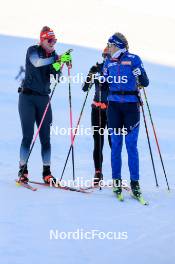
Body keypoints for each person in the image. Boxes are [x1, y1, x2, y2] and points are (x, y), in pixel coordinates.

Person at [18, 26, 72, 184]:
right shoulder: (33, 50)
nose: (53, 43)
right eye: (50, 40)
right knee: (27, 136)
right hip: (27, 98)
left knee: (45, 138)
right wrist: (57, 59)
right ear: (42, 40)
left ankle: (47, 172)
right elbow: (37, 63)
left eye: (54, 40)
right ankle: (23, 170)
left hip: (43, 99)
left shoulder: (54, 55)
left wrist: (62, 63)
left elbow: (55, 75)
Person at [103, 32, 149, 197]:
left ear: (117, 45)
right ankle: (117, 182)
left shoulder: (134, 59)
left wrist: (139, 74)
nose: (108, 47)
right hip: (114, 107)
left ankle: (135, 183)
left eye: (110, 44)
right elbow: (103, 84)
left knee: (131, 145)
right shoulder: (108, 62)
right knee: (115, 145)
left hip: (130, 106)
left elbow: (145, 82)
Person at [82, 48, 111, 185]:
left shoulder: (116, 69)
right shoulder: (96, 68)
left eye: (109, 56)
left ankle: (116, 175)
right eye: (105, 56)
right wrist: (91, 75)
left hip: (112, 110)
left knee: (113, 143)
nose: (107, 58)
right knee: (98, 142)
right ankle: (98, 172)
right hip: (97, 109)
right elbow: (84, 87)